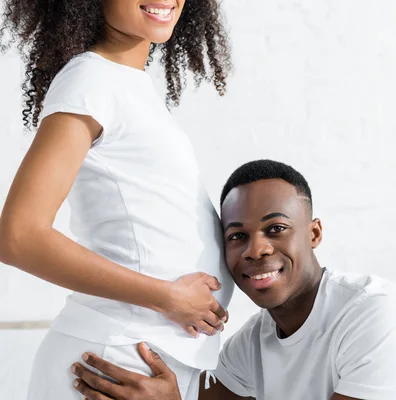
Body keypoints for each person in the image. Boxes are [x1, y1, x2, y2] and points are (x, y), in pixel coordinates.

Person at [70, 160, 396, 400]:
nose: (256, 249)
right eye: (237, 237)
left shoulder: (383, 319)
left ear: (314, 233)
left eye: (276, 228)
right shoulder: (252, 345)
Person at [0, 1, 234, 399]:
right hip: (111, 364)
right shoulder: (90, 81)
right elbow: (18, 236)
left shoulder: (127, 85)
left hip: (140, 359)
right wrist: (169, 297)